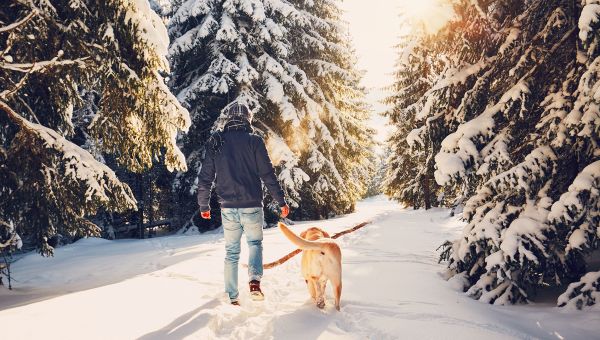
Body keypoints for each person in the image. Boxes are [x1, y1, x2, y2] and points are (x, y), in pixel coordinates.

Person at [197, 102, 290, 306]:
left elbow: (205, 177)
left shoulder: (217, 141)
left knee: (231, 251)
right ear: (247, 119)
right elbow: (267, 175)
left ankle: (232, 297)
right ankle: (254, 282)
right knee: (255, 244)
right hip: (252, 205)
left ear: (228, 119)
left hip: (228, 208)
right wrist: (281, 200)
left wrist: (204, 205)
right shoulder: (254, 141)